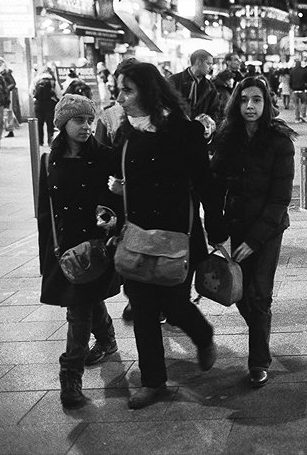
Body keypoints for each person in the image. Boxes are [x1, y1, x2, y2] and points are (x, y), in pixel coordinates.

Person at [111, 62, 227, 409]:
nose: (120, 98)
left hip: (178, 235)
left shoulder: (182, 131)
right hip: (136, 235)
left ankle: (203, 335)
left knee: (175, 305)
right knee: (143, 309)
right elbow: (113, 175)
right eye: (118, 89)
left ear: (148, 91)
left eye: (127, 90)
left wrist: (218, 231)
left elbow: (206, 183)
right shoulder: (125, 132)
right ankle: (153, 382)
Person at [210, 76, 296, 388]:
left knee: (259, 295)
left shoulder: (278, 141)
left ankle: (259, 361)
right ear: (236, 103)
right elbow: (214, 186)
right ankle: (262, 330)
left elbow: (279, 199)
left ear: (266, 103)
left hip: (268, 231)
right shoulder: (227, 137)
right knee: (238, 293)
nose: (250, 106)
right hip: (234, 225)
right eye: (244, 99)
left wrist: (254, 240)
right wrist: (215, 228)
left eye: (256, 100)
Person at [37, 94, 122, 408]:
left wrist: (114, 217)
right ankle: (108, 338)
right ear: (62, 123)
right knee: (83, 300)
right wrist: (47, 256)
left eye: (90, 120)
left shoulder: (106, 156)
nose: (86, 126)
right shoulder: (49, 160)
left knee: (78, 309)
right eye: (79, 120)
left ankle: (70, 375)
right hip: (63, 247)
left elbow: (118, 199)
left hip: (94, 245)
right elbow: (44, 212)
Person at [166, 49, 222, 125]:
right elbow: (166, 106)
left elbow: (215, 111)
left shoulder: (210, 87)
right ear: (198, 62)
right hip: (176, 129)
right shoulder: (174, 80)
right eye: (208, 64)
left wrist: (207, 123)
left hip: (199, 131)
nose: (211, 67)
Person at [33, 72, 60, 146]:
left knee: (39, 124)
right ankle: (50, 142)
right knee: (50, 124)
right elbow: (58, 93)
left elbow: (31, 91)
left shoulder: (37, 80)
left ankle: (40, 142)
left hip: (39, 104)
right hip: (50, 104)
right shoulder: (53, 81)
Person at [0, 58, 19, 137]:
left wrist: (5, 90)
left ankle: (10, 130)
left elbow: (13, 83)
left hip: (5, 96)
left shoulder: (6, 72)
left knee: (8, 113)